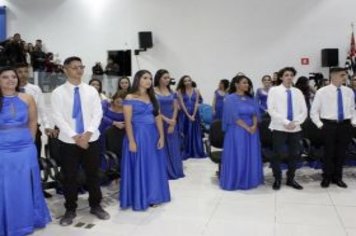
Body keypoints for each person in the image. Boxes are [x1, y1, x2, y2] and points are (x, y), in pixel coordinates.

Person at [51, 56, 110, 226]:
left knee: (93, 174)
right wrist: (76, 136)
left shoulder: (91, 91)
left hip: (91, 139)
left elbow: (97, 113)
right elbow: (58, 117)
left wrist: (88, 134)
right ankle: (70, 209)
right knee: (70, 177)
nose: (79, 70)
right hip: (69, 141)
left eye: (81, 67)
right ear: (65, 70)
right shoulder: (58, 92)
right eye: (75, 67)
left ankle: (95, 205)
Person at [0, 66, 51, 235]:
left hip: (25, 147)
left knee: (27, 184)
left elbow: (33, 122)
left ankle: (28, 221)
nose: (10, 80)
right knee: (5, 186)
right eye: (5, 77)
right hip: (3, 149)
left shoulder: (27, 98)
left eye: (13, 76)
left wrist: (29, 142)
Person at [120, 70, 171, 211]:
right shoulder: (130, 97)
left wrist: (161, 136)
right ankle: (139, 197)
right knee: (140, 166)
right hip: (138, 135)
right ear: (138, 79)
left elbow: (158, 118)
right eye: (145, 78)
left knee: (153, 167)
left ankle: (153, 196)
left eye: (150, 78)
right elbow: (128, 122)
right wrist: (131, 141)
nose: (148, 81)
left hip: (152, 135)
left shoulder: (152, 97)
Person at [310, 67, 356, 188]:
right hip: (328, 125)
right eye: (342, 75)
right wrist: (320, 125)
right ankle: (327, 177)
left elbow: (352, 109)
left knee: (341, 153)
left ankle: (338, 177)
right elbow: (314, 112)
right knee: (328, 153)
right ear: (333, 76)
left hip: (345, 125)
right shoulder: (322, 92)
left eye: (345, 75)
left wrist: (353, 121)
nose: (345, 77)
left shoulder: (349, 91)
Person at [220, 75, 263, 190]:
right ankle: (237, 180)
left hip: (252, 131)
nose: (247, 85)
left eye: (248, 83)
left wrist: (254, 125)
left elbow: (255, 113)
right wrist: (247, 128)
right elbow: (234, 117)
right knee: (239, 154)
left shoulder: (250, 98)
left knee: (250, 154)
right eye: (244, 82)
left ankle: (250, 179)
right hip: (237, 130)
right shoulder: (230, 98)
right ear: (236, 84)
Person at [267, 67, 307, 190]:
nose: (289, 77)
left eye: (291, 75)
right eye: (286, 75)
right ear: (281, 77)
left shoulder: (297, 92)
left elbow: (304, 110)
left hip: (295, 128)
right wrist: (285, 121)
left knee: (294, 154)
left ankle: (291, 179)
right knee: (277, 154)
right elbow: (271, 109)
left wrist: (295, 122)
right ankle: (277, 179)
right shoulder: (274, 90)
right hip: (279, 127)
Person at [154, 69, 184, 180]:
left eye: (168, 78)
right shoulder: (153, 91)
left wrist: (173, 121)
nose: (167, 80)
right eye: (165, 78)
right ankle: (163, 170)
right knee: (161, 145)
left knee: (172, 145)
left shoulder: (173, 92)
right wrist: (166, 120)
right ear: (159, 78)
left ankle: (174, 169)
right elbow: (154, 110)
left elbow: (175, 107)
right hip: (159, 122)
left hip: (172, 122)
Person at [176, 75, 206, 159]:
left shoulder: (196, 90)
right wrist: (188, 116)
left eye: (189, 80)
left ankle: (195, 151)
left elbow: (196, 103)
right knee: (185, 132)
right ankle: (185, 150)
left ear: (191, 81)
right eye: (185, 81)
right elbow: (181, 104)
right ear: (182, 82)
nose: (187, 82)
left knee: (195, 133)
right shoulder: (179, 91)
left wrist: (193, 115)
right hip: (184, 114)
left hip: (195, 114)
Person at [99, 91, 126, 170]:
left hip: (118, 136)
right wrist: (113, 123)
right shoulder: (105, 104)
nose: (120, 102)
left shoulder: (127, 108)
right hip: (102, 132)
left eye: (123, 101)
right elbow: (100, 115)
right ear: (114, 99)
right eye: (118, 100)